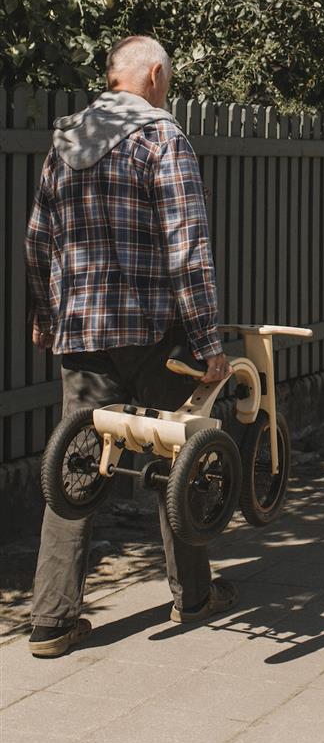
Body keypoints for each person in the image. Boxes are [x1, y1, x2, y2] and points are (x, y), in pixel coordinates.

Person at [25, 35, 236, 658]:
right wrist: (207, 341)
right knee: (181, 452)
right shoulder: (161, 138)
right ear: (152, 76)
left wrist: (46, 313)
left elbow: (38, 238)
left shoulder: (65, 145)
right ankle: (193, 596)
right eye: (165, 80)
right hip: (154, 333)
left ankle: (51, 620)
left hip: (84, 333)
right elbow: (187, 249)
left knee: (77, 466)